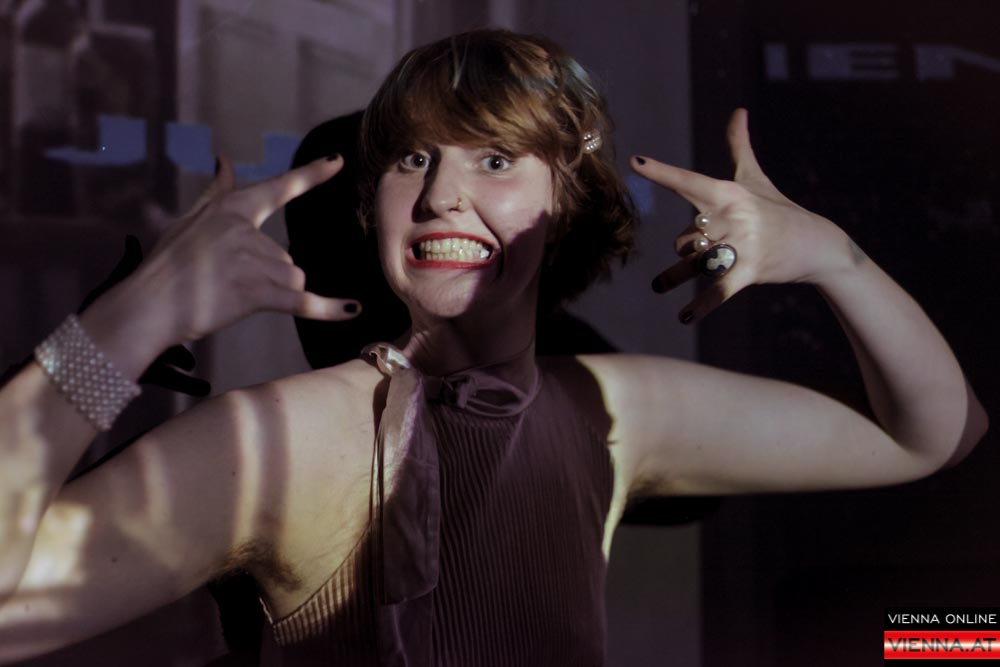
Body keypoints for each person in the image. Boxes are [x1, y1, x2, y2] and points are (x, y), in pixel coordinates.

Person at [0, 28, 987, 665]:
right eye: (412, 158)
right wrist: (126, 325)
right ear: (372, 206)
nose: (439, 194)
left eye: (496, 158)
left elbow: (931, 434)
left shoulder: (612, 411)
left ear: (568, 202)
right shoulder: (287, 438)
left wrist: (835, 259)